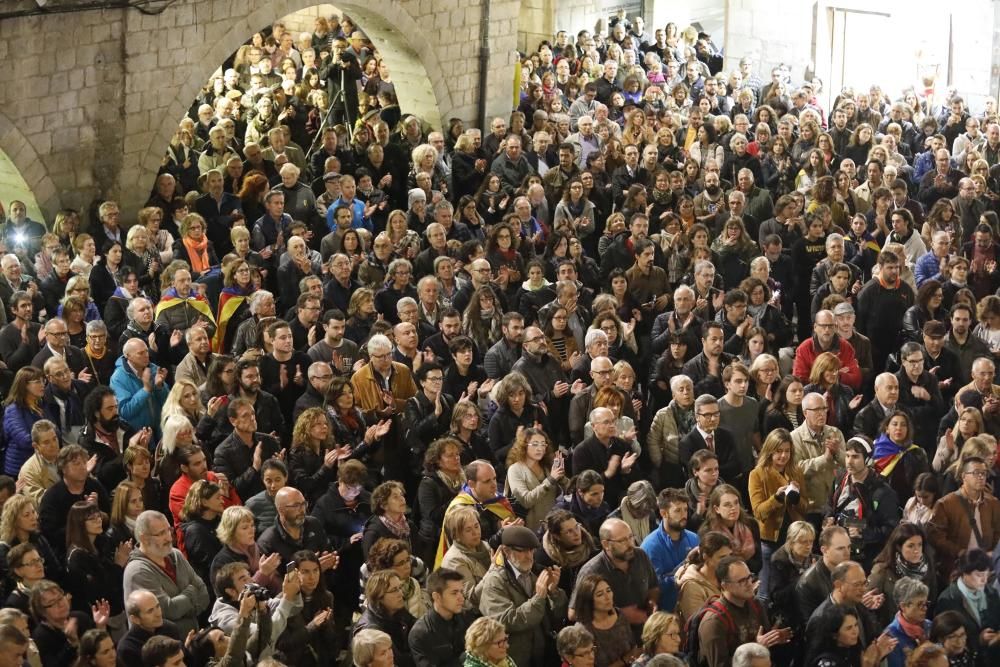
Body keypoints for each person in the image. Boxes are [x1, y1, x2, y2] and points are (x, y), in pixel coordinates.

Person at [478, 525, 567, 667]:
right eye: (522, 551)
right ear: (506, 552)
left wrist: (554, 592)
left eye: (531, 550)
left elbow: (558, 615)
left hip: (541, 656)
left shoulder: (536, 572)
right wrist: (538, 598)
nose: (529, 556)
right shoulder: (495, 582)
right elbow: (507, 621)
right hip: (513, 659)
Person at [122, 510, 209, 636]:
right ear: (144, 538)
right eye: (161, 533)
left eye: (168, 530)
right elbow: (168, 611)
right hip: (161, 649)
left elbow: (203, 594)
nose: (169, 537)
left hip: (191, 640)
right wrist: (191, 592)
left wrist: (182, 609)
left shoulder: (176, 555)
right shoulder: (138, 571)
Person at [695, 556, 791, 667]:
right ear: (725, 586)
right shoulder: (714, 622)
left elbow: (765, 640)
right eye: (742, 581)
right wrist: (756, 648)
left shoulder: (755, 604)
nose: (750, 583)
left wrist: (774, 639)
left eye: (750, 577)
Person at [748, 428, 806, 600]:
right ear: (769, 451)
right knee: (765, 594)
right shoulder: (757, 474)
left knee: (795, 589)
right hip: (771, 541)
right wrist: (777, 498)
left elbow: (805, 507)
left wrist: (796, 500)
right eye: (778, 451)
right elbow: (758, 512)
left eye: (787, 451)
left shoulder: (795, 471)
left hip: (794, 539)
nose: (783, 456)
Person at [934, 548, 1000, 662]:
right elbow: (943, 640)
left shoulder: (991, 593)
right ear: (964, 573)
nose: (984, 580)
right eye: (979, 575)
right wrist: (977, 640)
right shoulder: (948, 599)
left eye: (986, 574)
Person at [504, 427, 569, 531]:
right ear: (524, 445)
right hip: (529, 529)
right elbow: (526, 501)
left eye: (543, 444)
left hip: (550, 526)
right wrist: (551, 480)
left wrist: (562, 479)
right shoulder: (515, 470)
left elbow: (568, 491)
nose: (540, 448)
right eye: (535, 444)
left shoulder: (547, 466)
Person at [407, 567, 472, 667]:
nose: (461, 598)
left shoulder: (467, 618)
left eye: (461, 592)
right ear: (436, 597)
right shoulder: (420, 634)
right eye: (454, 593)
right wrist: (465, 658)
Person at [353, 569, 417, 667]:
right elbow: (396, 661)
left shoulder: (396, 610)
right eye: (394, 590)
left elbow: (419, 630)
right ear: (379, 596)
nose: (401, 594)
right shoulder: (369, 630)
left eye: (400, 588)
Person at [795, 525, 852, 624]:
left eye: (849, 547)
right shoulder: (808, 583)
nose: (847, 553)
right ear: (824, 550)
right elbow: (811, 626)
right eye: (840, 548)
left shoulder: (849, 570)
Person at [2, 367, 46, 477]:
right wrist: (48, 441)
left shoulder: (41, 405)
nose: (42, 385)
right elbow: (24, 440)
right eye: (37, 382)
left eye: (43, 380)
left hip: (40, 466)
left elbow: (56, 431)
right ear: (24, 385)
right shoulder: (12, 410)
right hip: (19, 469)